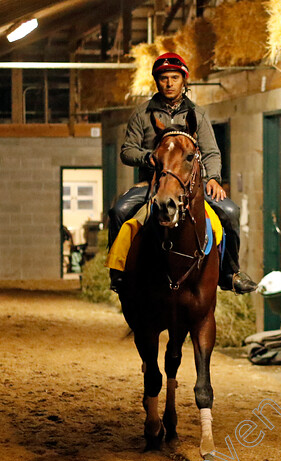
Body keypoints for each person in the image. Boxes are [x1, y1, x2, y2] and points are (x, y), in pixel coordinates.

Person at [109, 52, 258, 295]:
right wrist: (148, 156)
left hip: (189, 184)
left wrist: (213, 179)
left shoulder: (198, 115)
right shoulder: (142, 113)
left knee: (231, 212)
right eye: (164, 78)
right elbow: (127, 151)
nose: (169, 83)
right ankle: (119, 272)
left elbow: (211, 152)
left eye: (174, 78)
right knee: (118, 211)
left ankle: (230, 273)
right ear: (157, 82)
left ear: (183, 80)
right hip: (153, 184)